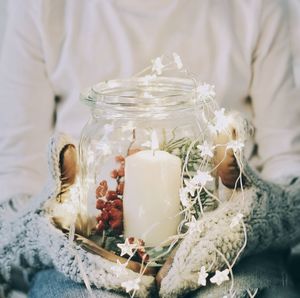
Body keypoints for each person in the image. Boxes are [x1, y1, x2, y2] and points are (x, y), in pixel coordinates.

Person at [0, 0, 299, 297]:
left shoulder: (256, 7)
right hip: (83, 248)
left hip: (234, 254)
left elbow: (288, 165)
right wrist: (47, 232)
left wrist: (253, 218)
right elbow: (15, 182)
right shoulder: (39, 8)